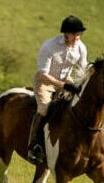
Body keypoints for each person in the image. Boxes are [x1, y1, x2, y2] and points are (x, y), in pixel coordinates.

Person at [27, 14, 89, 165]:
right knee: (44, 110)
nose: (78, 37)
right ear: (66, 33)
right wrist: (63, 86)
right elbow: (42, 74)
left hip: (65, 81)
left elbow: (84, 69)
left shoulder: (81, 47)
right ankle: (34, 145)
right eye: (75, 34)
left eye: (79, 34)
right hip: (45, 82)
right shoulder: (49, 46)